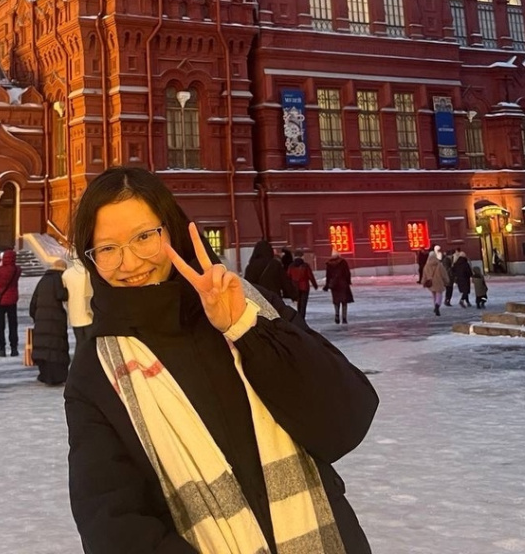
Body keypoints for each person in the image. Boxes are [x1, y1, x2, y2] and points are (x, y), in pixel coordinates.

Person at [65, 167, 378, 554]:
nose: (129, 263)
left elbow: (345, 423)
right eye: (107, 249)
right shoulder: (97, 369)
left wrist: (246, 328)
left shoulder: (249, 305)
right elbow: (112, 523)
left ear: (173, 230)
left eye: (144, 237)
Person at [29, 259, 70, 385]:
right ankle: (57, 377)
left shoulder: (43, 280)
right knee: (55, 348)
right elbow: (61, 295)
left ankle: (45, 375)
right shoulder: (58, 279)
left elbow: (33, 303)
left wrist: (37, 318)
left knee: (44, 349)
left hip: (41, 320)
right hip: (55, 320)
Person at [0, 249, 21, 357]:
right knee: (13, 325)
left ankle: (2, 348)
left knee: (0, 325)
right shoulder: (17, 270)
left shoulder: (0, 270)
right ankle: (14, 348)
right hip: (12, 300)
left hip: (1, 301)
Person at [62, 256, 94, 346]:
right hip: (88, 312)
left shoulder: (66, 274)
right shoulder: (88, 272)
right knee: (90, 343)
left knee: (79, 342)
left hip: (74, 314)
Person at [323, 248, 354, 324]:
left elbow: (328, 276)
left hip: (334, 285)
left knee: (336, 301)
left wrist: (327, 285)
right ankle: (344, 318)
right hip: (343, 284)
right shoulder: (343, 262)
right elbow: (347, 272)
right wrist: (348, 281)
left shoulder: (329, 264)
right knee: (344, 301)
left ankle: (337, 314)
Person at [287, 249, 318, 320]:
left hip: (295, 287)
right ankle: (302, 317)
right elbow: (310, 276)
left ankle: (299, 317)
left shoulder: (291, 266)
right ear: (302, 256)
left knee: (299, 303)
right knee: (303, 304)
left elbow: (288, 277)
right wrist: (315, 285)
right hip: (304, 287)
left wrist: (288, 287)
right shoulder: (305, 265)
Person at [421, 245, 451, 316]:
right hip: (439, 282)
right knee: (439, 294)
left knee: (434, 294)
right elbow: (444, 274)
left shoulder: (426, 266)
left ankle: (435, 305)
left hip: (431, 282)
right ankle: (437, 305)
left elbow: (424, 275)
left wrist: (423, 282)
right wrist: (447, 281)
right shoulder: (439, 265)